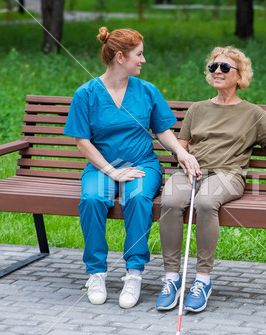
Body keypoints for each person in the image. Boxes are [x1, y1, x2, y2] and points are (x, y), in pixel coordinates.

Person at [156, 46, 266, 312]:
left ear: (240, 76)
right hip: (192, 171)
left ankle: (202, 279)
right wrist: (183, 157)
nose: (218, 72)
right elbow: (181, 144)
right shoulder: (197, 109)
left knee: (204, 202)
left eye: (225, 67)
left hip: (227, 175)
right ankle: (172, 278)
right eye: (214, 67)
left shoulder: (253, 113)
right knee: (170, 200)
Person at [64, 27, 199, 308]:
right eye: (139, 54)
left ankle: (134, 274)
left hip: (142, 166)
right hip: (102, 168)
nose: (144, 60)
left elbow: (162, 130)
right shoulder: (86, 94)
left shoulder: (147, 91)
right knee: (91, 199)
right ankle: (96, 273)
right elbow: (82, 142)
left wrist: (180, 153)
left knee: (137, 198)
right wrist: (112, 172)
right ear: (120, 57)